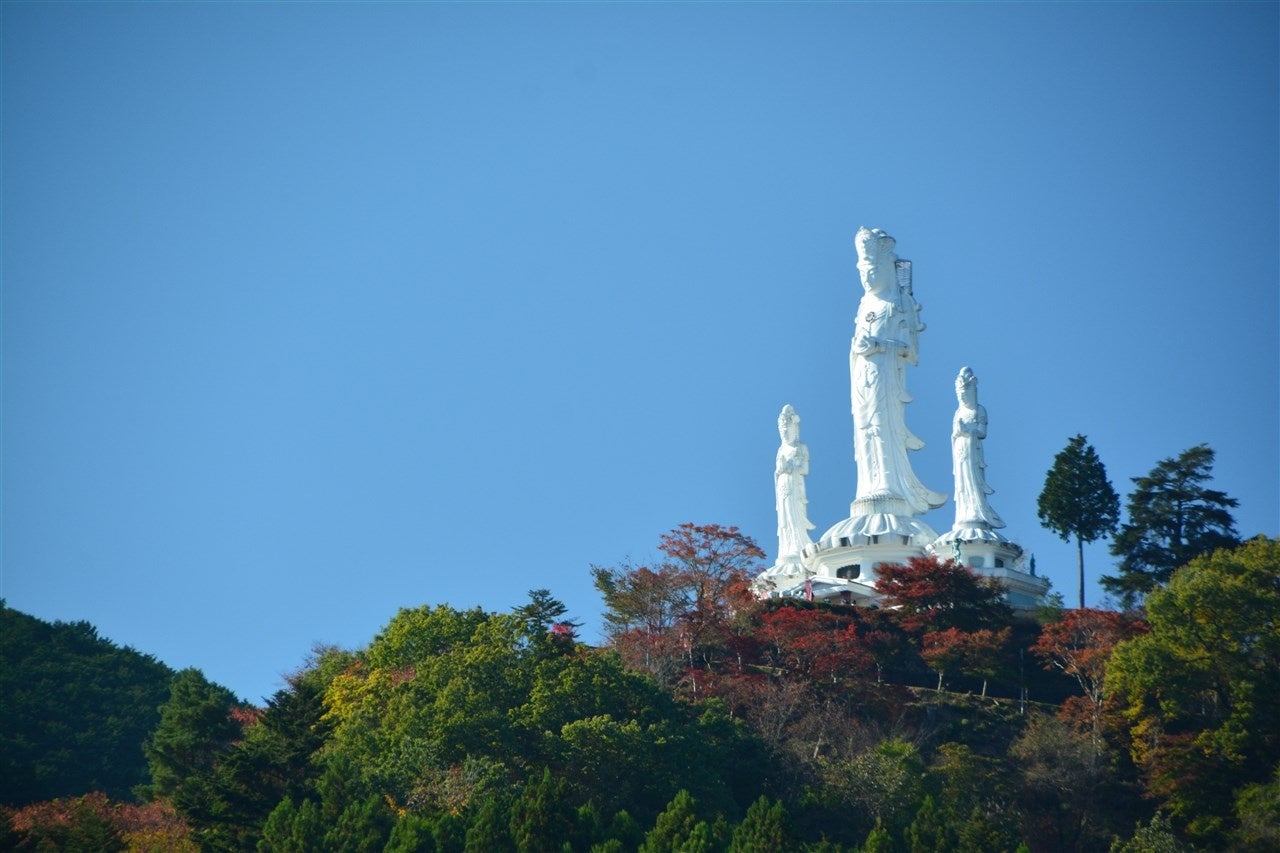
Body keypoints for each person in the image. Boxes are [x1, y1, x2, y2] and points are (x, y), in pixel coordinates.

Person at [849, 227, 946, 514]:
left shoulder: (900, 303)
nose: (868, 277)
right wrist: (860, 347)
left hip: (886, 377)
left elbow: (910, 350)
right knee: (865, 430)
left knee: (882, 427)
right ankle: (868, 485)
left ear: (888, 267)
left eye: (874, 268)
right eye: (862, 271)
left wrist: (878, 345)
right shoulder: (864, 303)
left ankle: (889, 485)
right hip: (863, 378)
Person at [950, 366, 1005, 530]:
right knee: (961, 484)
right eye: (959, 393)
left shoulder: (979, 410)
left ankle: (976, 511)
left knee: (973, 480)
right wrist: (958, 432)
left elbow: (982, 432)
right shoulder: (958, 412)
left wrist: (969, 431)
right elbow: (954, 434)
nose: (962, 395)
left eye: (964, 392)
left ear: (972, 390)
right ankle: (964, 512)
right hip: (960, 452)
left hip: (973, 450)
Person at [774, 404, 815, 561]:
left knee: (794, 516)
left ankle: (798, 546)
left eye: (788, 429)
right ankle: (786, 547)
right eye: (782, 431)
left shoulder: (801, 447)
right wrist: (780, 470)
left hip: (794, 485)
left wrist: (791, 467)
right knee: (784, 518)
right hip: (782, 486)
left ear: (794, 428)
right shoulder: (781, 450)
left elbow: (805, 469)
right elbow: (777, 471)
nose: (785, 433)